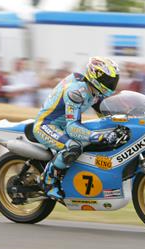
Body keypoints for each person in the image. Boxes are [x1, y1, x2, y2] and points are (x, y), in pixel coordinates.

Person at [33, 57, 120, 199]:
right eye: (108, 80)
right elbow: (73, 127)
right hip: (46, 125)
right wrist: (96, 136)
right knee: (73, 147)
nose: (112, 84)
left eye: (114, 80)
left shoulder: (95, 91)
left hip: (62, 127)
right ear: (95, 76)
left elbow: (105, 116)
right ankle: (47, 181)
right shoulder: (76, 91)